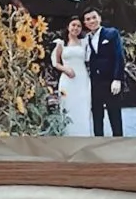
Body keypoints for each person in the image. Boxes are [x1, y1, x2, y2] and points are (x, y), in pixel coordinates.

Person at [82, 9, 126, 137]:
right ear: (85, 23)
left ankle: (118, 143)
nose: (91, 21)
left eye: (94, 17)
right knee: (97, 115)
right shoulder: (87, 38)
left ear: (99, 18)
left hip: (111, 81)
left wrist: (117, 79)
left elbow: (119, 56)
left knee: (114, 115)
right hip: (95, 83)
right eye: (88, 19)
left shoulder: (111, 33)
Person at [52, 17, 94, 137]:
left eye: (79, 26)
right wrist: (65, 69)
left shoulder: (84, 42)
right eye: (73, 25)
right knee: (68, 108)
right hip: (67, 81)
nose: (76, 28)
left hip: (82, 80)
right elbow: (55, 63)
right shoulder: (61, 43)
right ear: (68, 27)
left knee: (83, 109)